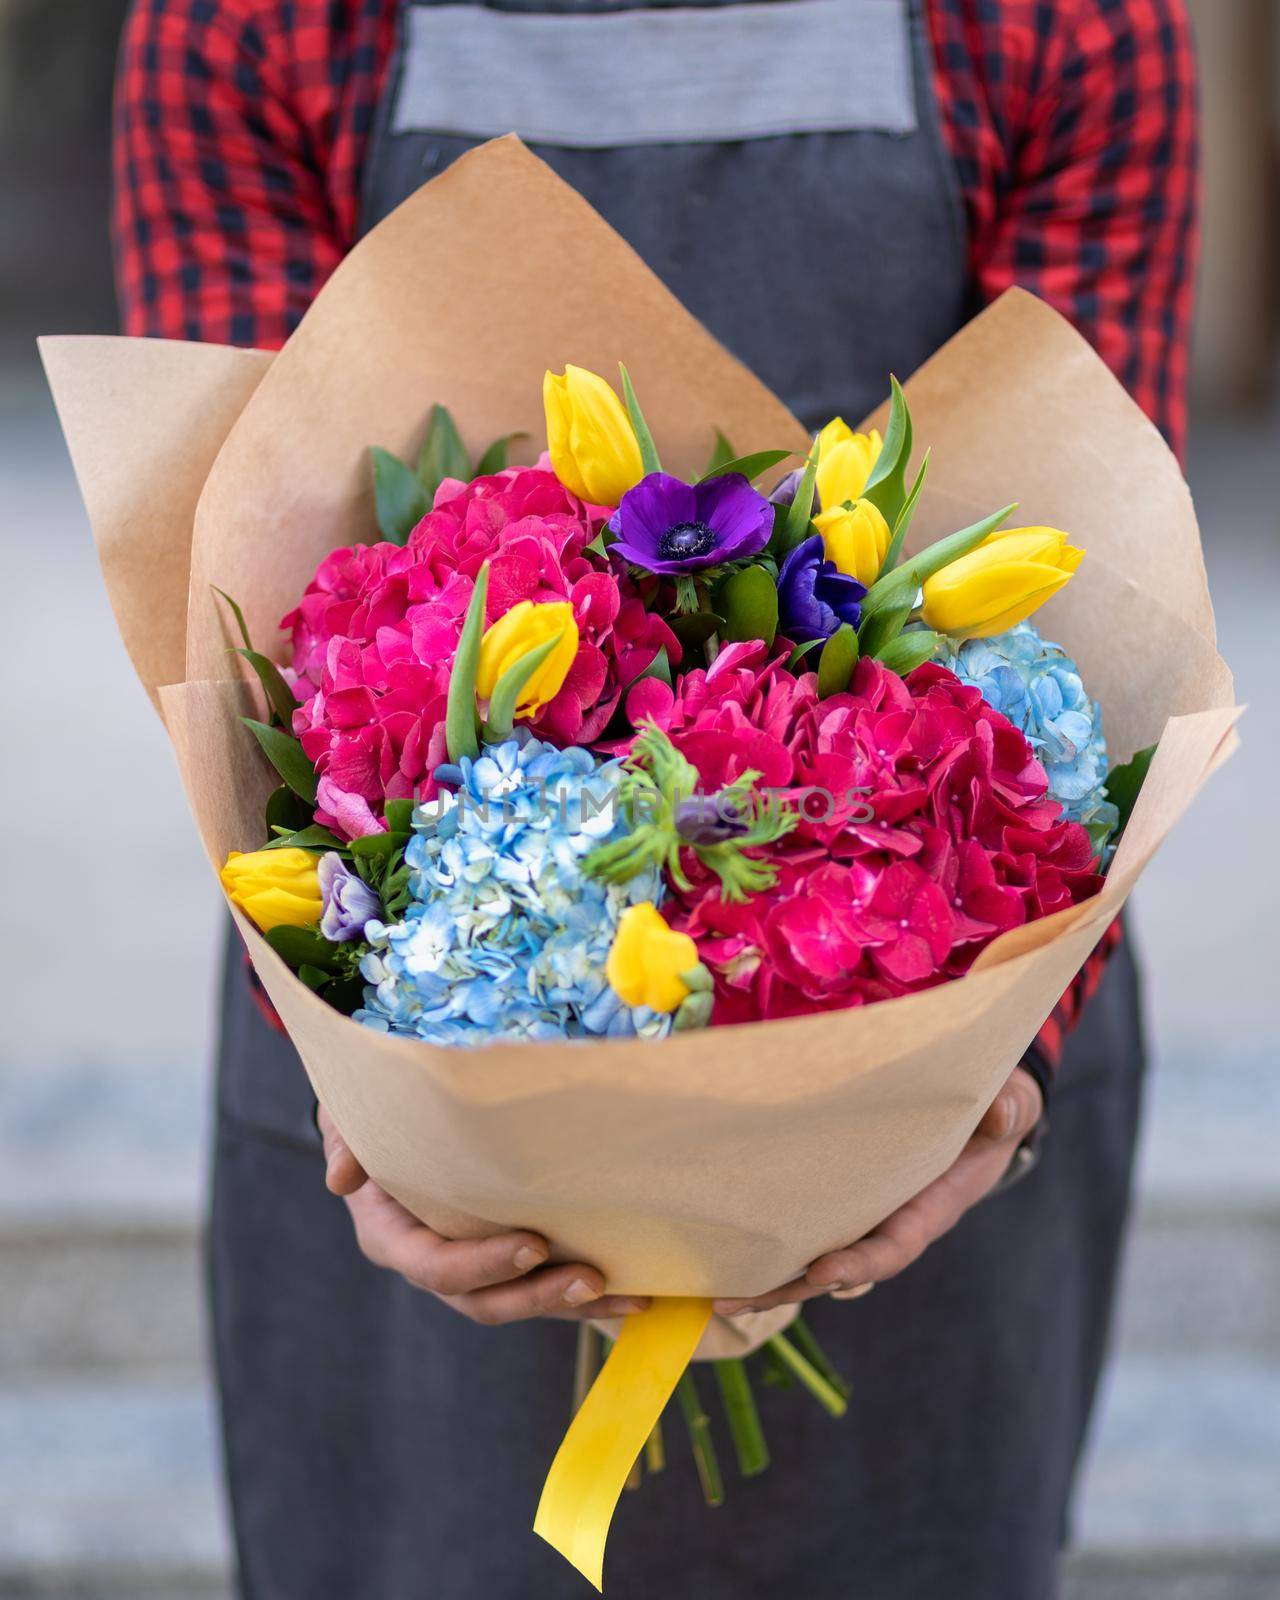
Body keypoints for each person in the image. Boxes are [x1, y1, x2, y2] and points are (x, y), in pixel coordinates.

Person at [113, 2, 1198, 1595]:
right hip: (416, 1121)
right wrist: (392, 1110)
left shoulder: (1071, 24)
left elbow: (1107, 606)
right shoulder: (248, 22)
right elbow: (259, 642)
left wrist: (990, 1084)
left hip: (942, 1080)